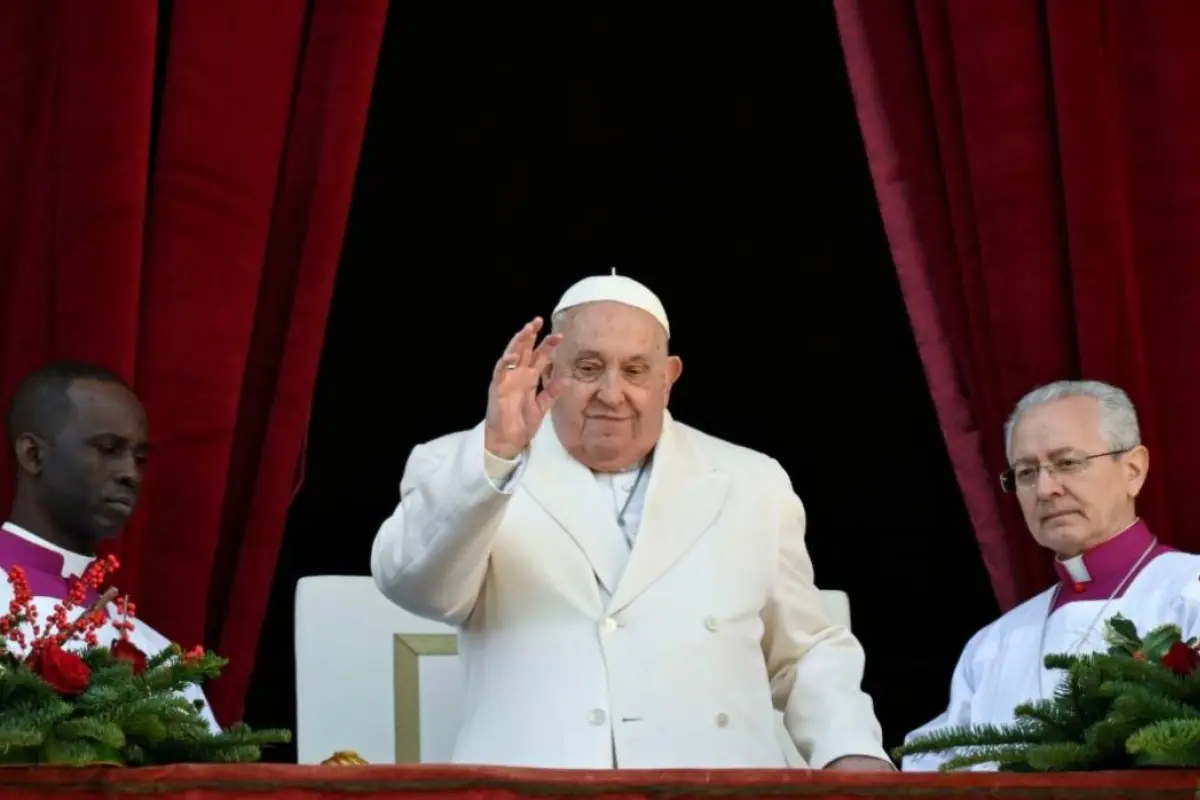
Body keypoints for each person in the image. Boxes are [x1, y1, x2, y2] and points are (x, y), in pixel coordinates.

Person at [371, 273, 891, 770]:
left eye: (636, 370)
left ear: (669, 378)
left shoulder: (752, 481)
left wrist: (850, 749)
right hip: (536, 791)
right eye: (589, 368)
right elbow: (416, 588)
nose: (612, 394)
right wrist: (498, 452)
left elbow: (803, 650)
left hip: (717, 789)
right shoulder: (463, 465)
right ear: (549, 372)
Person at [902, 379, 1200, 771]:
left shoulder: (1189, 589)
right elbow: (934, 772)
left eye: (1068, 463)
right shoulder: (993, 645)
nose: (1045, 488)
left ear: (1133, 469)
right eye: (1026, 472)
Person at [0, 361, 219, 731]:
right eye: (108, 448)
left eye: (140, 458)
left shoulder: (152, 650)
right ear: (34, 455)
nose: (129, 474)